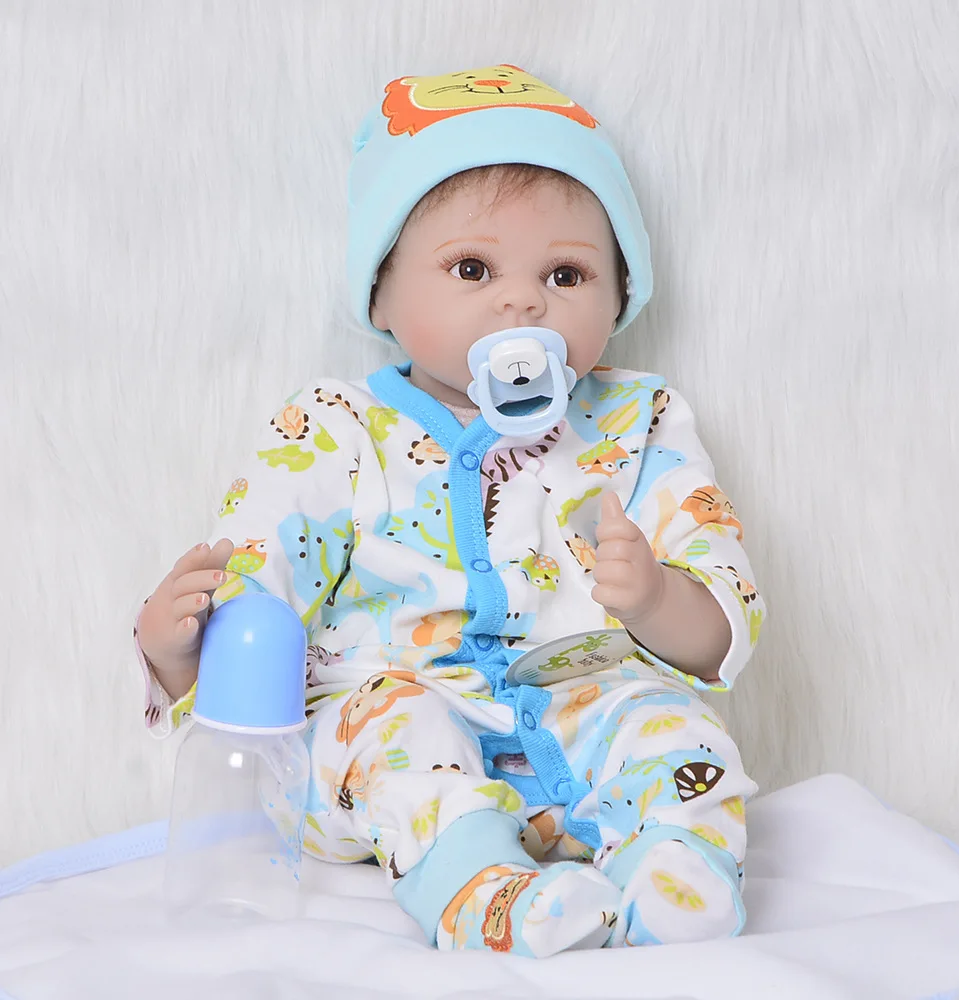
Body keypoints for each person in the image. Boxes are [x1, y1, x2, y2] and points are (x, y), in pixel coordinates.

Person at [135, 64, 765, 955]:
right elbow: (255, 594)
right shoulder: (335, 427)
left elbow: (721, 619)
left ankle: (679, 873)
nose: (523, 299)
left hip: (584, 709)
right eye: (473, 268)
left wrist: (659, 601)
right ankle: (484, 893)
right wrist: (177, 651)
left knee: (675, 728)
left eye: (567, 273)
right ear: (380, 297)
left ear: (621, 297)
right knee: (391, 726)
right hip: (392, 729)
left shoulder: (640, 421)